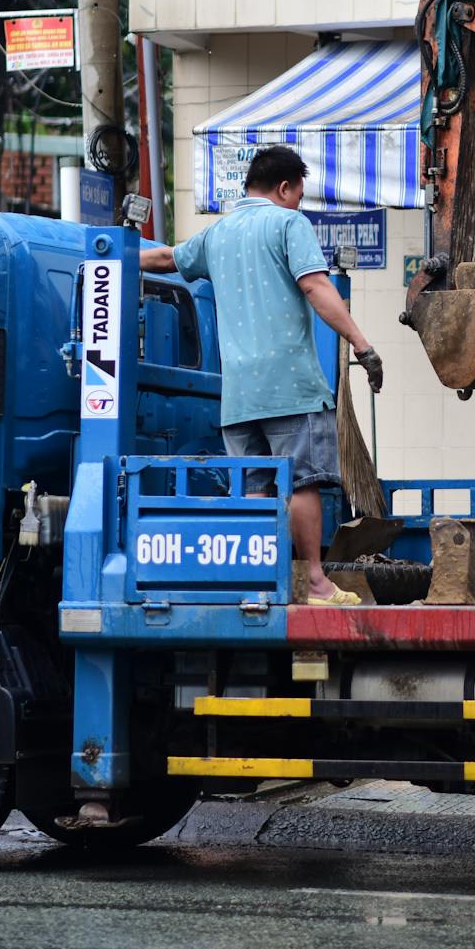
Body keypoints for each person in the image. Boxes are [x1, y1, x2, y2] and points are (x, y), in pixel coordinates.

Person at [140, 146, 382, 606]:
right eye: (298, 195)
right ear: (285, 187)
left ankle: (260, 584)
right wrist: (361, 343)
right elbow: (315, 286)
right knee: (303, 481)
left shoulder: (218, 234)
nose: (298, 204)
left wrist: (119, 259)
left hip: (239, 398)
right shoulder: (289, 224)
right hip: (290, 388)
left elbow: (168, 259)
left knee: (255, 487)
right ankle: (314, 582)